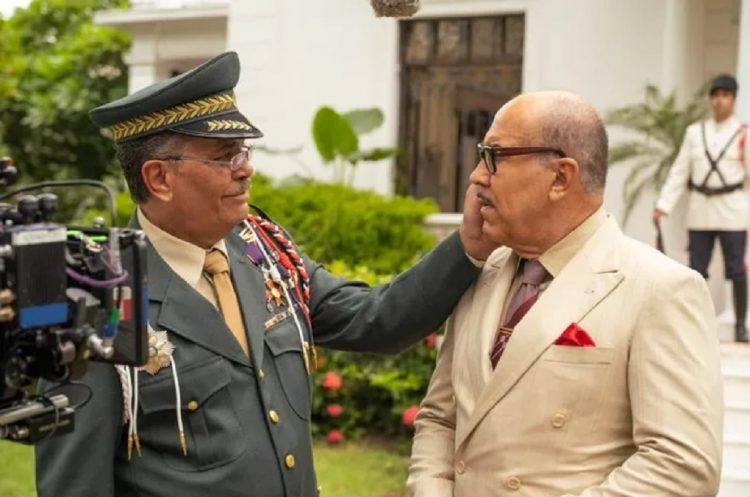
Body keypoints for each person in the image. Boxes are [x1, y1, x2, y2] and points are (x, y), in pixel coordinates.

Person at [34, 51, 496, 497]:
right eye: (225, 156)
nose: (246, 169)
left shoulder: (265, 253)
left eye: (244, 151)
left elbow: (375, 318)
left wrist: (469, 245)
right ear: (159, 178)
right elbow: (75, 485)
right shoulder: (98, 301)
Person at [407, 91, 723, 496]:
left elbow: (682, 466)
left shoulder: (659, 288)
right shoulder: (482, 272)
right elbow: (440, 418)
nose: (477, 176)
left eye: (495, 157)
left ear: (560, 177)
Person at [653, 73, 750, 343]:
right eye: (715, 95)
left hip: (732, 211)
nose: (719, 101)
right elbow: (680, 170)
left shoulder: (743, 134)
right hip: (700, 210)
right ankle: (696, 324)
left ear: (733, 99)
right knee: (696, 270)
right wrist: (664, 204)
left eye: (725, 96)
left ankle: (741, 326)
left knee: (737, 270)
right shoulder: (695, 133)